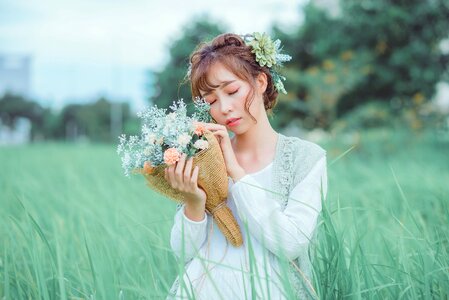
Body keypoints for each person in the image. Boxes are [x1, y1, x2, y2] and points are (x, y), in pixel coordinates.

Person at [164, 32, 328, 299]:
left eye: (232, 91)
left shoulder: (306, 158)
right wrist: (193, 203)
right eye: (211, 101)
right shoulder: (205, 156)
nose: (225, 108)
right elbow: (182, 253)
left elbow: (290, 243)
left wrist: (237, 174)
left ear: (260, 81)